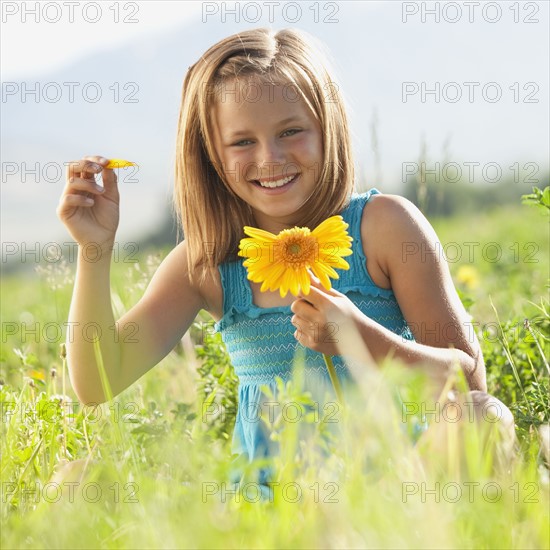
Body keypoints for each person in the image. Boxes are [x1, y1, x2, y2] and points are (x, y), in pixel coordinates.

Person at [57, 28, 514, 489]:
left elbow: (468, 384)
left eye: (291, 131)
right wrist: (94, 250)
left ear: (326, 128)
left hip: (400, 494)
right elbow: (98, 383)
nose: (270, 158)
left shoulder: (385, 227)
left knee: (481, 417)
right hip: (271, 512)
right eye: (242, 142)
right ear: (210, 153)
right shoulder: (208, 263)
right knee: (80, 481)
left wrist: (363, 339)